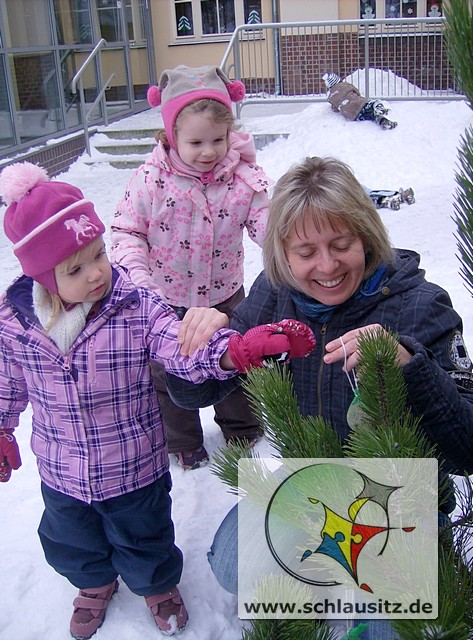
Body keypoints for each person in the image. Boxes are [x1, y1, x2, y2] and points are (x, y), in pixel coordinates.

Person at [0, 162, 315, 640]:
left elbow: (181, 345)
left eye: (100, 253)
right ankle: (92, 584)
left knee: (144, 537)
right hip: (61, 469)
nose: (97, 273)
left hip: (133, 467)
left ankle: (156, 585)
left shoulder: (134, 305)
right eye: (76, 268)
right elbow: (7, 383)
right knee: (69, 540)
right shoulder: (15, 324)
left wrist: (235, 352)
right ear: (42, 277)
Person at [165, 156, 473, 639]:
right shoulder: (274, 296)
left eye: (341, 244)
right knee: (232, 564)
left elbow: (468, 447)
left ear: (366, 236)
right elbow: (188, 395)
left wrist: (409, 367)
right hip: (311, 480)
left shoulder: (420, 305)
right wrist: (209, 352)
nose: (327, 267)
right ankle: (331, 568)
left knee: (395, 631)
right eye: (306, 251)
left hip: (401, 492)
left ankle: (416, 559)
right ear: (282, 255)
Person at [110, 64, 273, 471]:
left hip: (225, 295)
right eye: (196, 141)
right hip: (166, 300)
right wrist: (139, 279)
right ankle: (182, 439)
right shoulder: (150, 181)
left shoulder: (242, 178)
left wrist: (287, 247)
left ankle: (243, 426)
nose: (209, 151)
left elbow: (267, 221)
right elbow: (127, 230)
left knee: (236, 360)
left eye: (218, 139)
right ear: (170, 136)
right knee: (168, 373)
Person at [322, 72, 398, 129]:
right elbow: (356, 91)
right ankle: (380, 110)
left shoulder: (331, 97)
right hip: (359, 105)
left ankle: (383, 122)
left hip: (353, 115)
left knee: (370, 116)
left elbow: (335, 109)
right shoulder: (345, 85)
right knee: (374, 103)